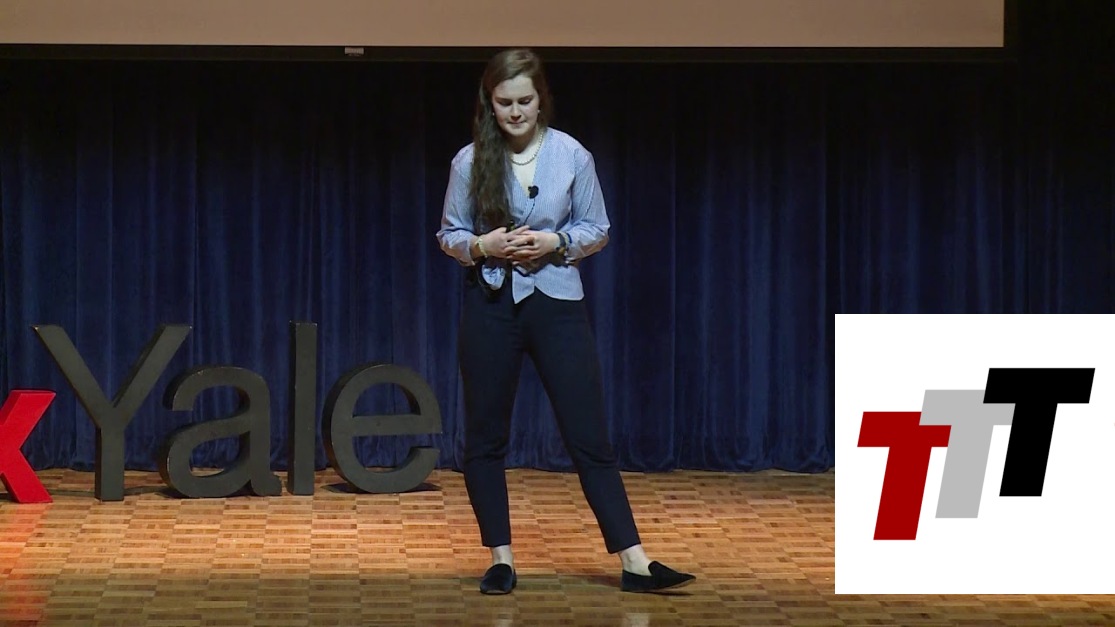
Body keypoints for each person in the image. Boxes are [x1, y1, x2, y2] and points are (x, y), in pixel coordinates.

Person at [436, 48, 696, 595]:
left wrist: (555, 241)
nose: (515, 112)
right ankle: (501, 558)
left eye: (524, 101)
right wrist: (484, 245)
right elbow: (450, 235)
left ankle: (634, 560)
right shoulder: (469, 161)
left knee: (588, 436)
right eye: (504, 102)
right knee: (485, 438)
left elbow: (597, 229)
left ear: (541, 100)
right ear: (489, 103)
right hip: (491, 306)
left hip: (555, 304)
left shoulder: (572, 154)